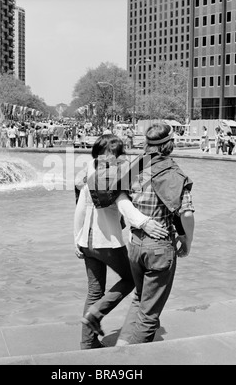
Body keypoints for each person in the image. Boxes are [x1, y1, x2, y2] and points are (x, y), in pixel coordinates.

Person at [74, 134, 169, 350]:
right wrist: (146, 223)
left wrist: (76, 239)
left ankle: (87, 343)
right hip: (107, 241)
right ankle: (98, 312)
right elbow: (124, 205)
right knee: (133, 280)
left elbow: (80, 207)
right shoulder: (116, 175)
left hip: (86, 241)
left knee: (94, 291)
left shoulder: (88, 170)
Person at [114, 122, 195, 346]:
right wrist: (187, 240)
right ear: (169, 144)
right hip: (159, 247)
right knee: (149, 315)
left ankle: (120, 348)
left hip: (135, 244)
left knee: (139, 299)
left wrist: (141, 221)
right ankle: (132, 360)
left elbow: (119, 197)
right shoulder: (173, 173)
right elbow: (186, 214)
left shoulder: (135, 166)